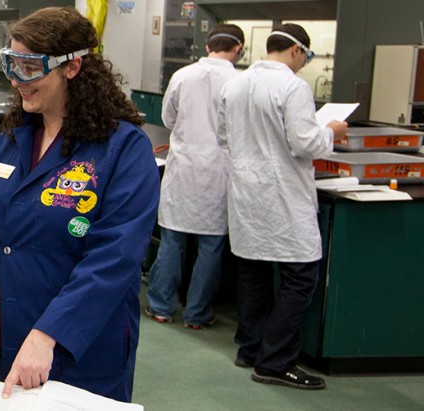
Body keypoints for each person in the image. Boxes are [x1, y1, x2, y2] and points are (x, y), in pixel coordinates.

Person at [0, 7, 158, 402]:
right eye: (11, 63)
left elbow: (115, 257)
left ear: (72, 68)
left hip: (69, 343)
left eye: (30, 67)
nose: (17, 80)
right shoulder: (15, 136)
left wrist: (49, 333)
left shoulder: (121, 148)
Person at [217, 23, 347, 390]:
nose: (304, 64)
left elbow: (222, 136)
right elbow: (305, 143)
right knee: (300, 275)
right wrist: (331, 132)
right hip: (282, 194)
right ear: (296, 51)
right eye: (306, 57)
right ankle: (275, 362)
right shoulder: (293, 86)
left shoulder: (235, 83)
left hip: (246, 192)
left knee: (253, 273)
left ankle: (250, 348)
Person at [144, 24, 245, 330]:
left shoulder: (183, 75)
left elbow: (168, 117)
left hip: (184, 167)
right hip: (218, 170)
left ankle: (161, 307)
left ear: (207, 47)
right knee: (211, 247)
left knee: (172, 241)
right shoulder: (238, 81)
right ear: (238, 49)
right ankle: (197, 314)